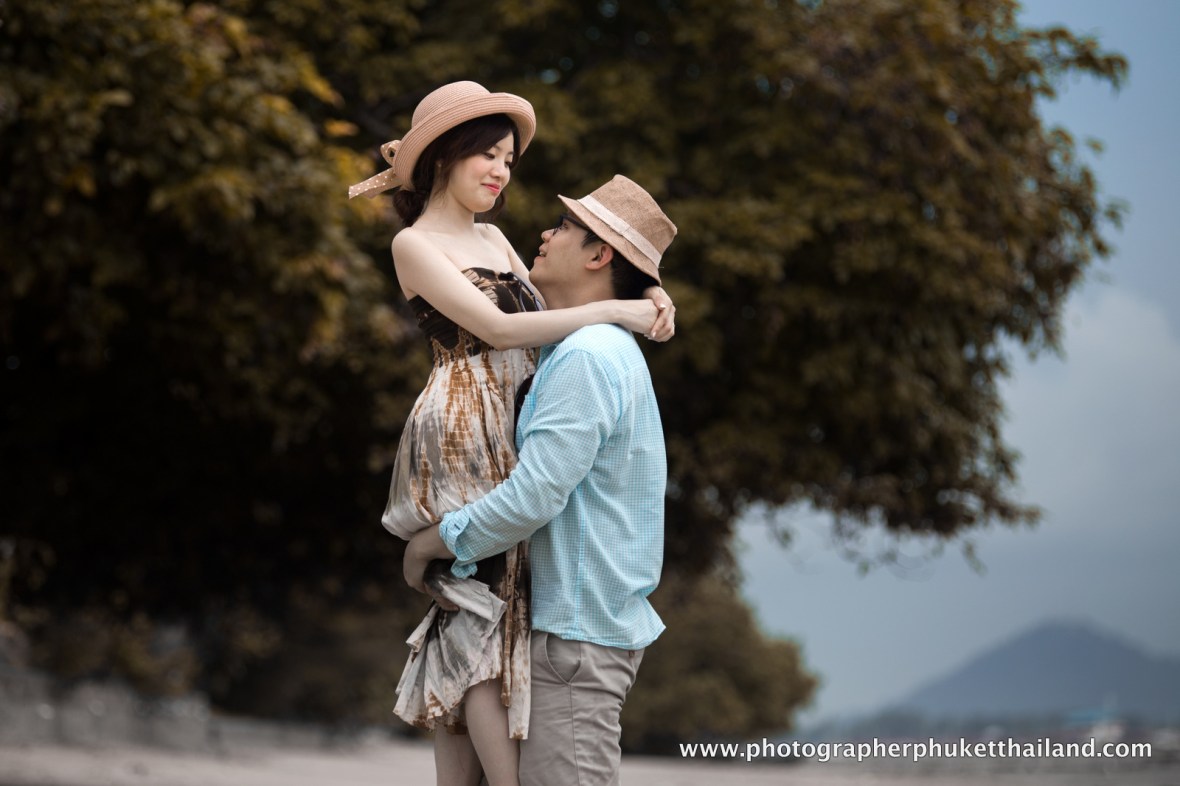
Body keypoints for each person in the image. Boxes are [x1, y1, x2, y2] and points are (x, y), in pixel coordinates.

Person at [348, 82, 675, 786]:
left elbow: (563, 291)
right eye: (485, 156)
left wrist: (642, 286)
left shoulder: (494, 237)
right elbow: (498, 328)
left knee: (503, 598)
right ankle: (508, 779)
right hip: (467, 416)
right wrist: (618, 310)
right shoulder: (414, 244)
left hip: (517, 409)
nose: (500, 172)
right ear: (441, 158)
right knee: (482, 598)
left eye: (508, 159)